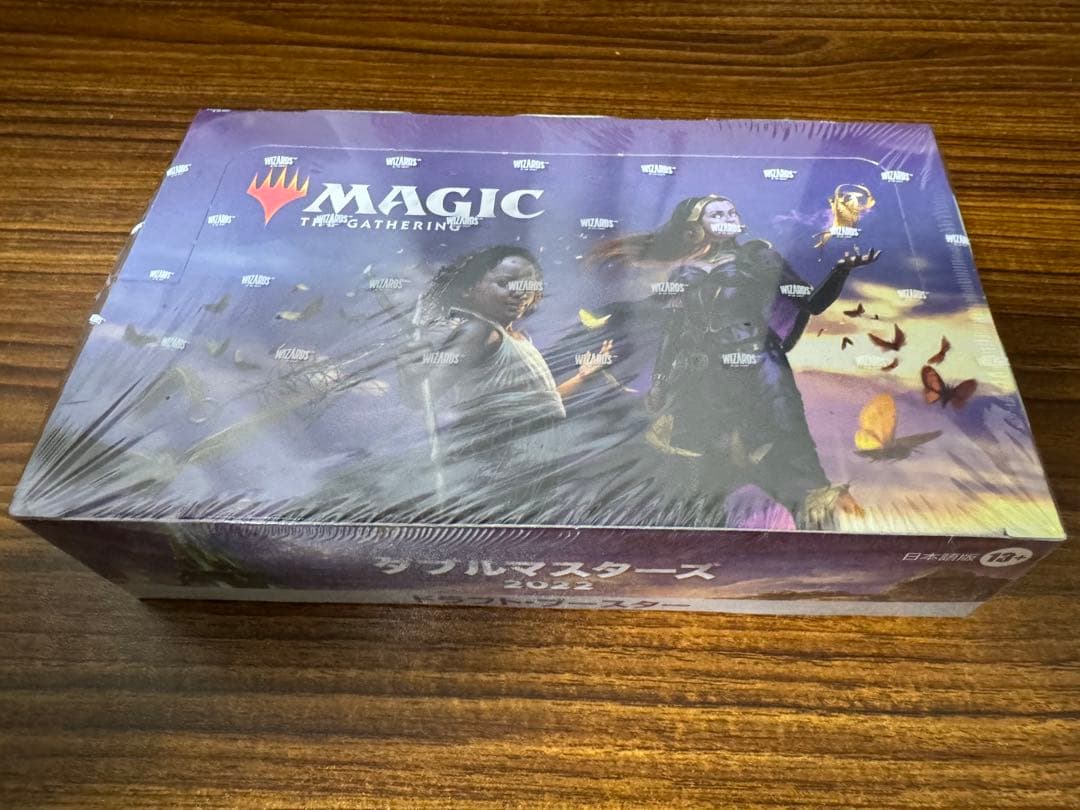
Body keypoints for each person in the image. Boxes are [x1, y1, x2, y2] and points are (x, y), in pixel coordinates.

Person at [587, 195, 878, 528]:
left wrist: (841, 271)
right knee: (696, 464)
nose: (728, 216)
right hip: (697, 378)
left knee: (787, 446)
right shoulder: (683, 272)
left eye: (731, 211)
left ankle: (817, 529)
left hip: (758, 369)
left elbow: (811, 303)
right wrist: (660, 382)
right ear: (694, 227)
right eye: (717, 213)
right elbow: (674, 328)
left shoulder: (759, 256)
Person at [397, 245, 612, 519]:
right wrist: (409, 372)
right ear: (469, 289)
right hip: (505, 467)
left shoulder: (518, 339)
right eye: (504, 283)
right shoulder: (480, 332)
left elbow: (541, 402)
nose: (519, 292)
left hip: (532, 468)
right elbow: (421, 395)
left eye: (527, 285)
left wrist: (581, 376)